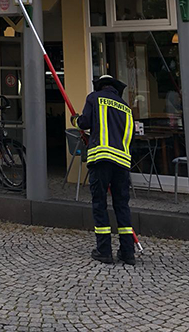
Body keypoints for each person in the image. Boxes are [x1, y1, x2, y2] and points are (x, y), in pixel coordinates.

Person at [71, 73, 136, 266]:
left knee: (100, 204)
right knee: (122, 206)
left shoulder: (94, 98)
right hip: (122, 163)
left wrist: (74, 120)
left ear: (100, 86)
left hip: (101, 159)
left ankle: (104, 250)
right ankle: (127, 252)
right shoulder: (126, 108)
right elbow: (130, 136)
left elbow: (84, 123)